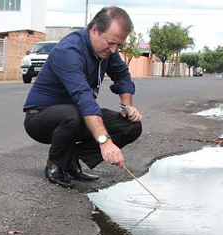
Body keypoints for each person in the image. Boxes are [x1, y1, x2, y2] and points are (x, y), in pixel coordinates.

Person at [23, 6, 143, 188]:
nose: (113, 50)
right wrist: (105, 142)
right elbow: (84, 98)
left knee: (131, 126)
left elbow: (122, 74)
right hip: (41, 118)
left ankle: (71, 158)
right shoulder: (69, 51)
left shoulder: (107, 50)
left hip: (77, 115)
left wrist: (127, 106)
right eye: (111, 43)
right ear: (94, 29)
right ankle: (56, 164)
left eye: (118, 45)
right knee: (75, 114)